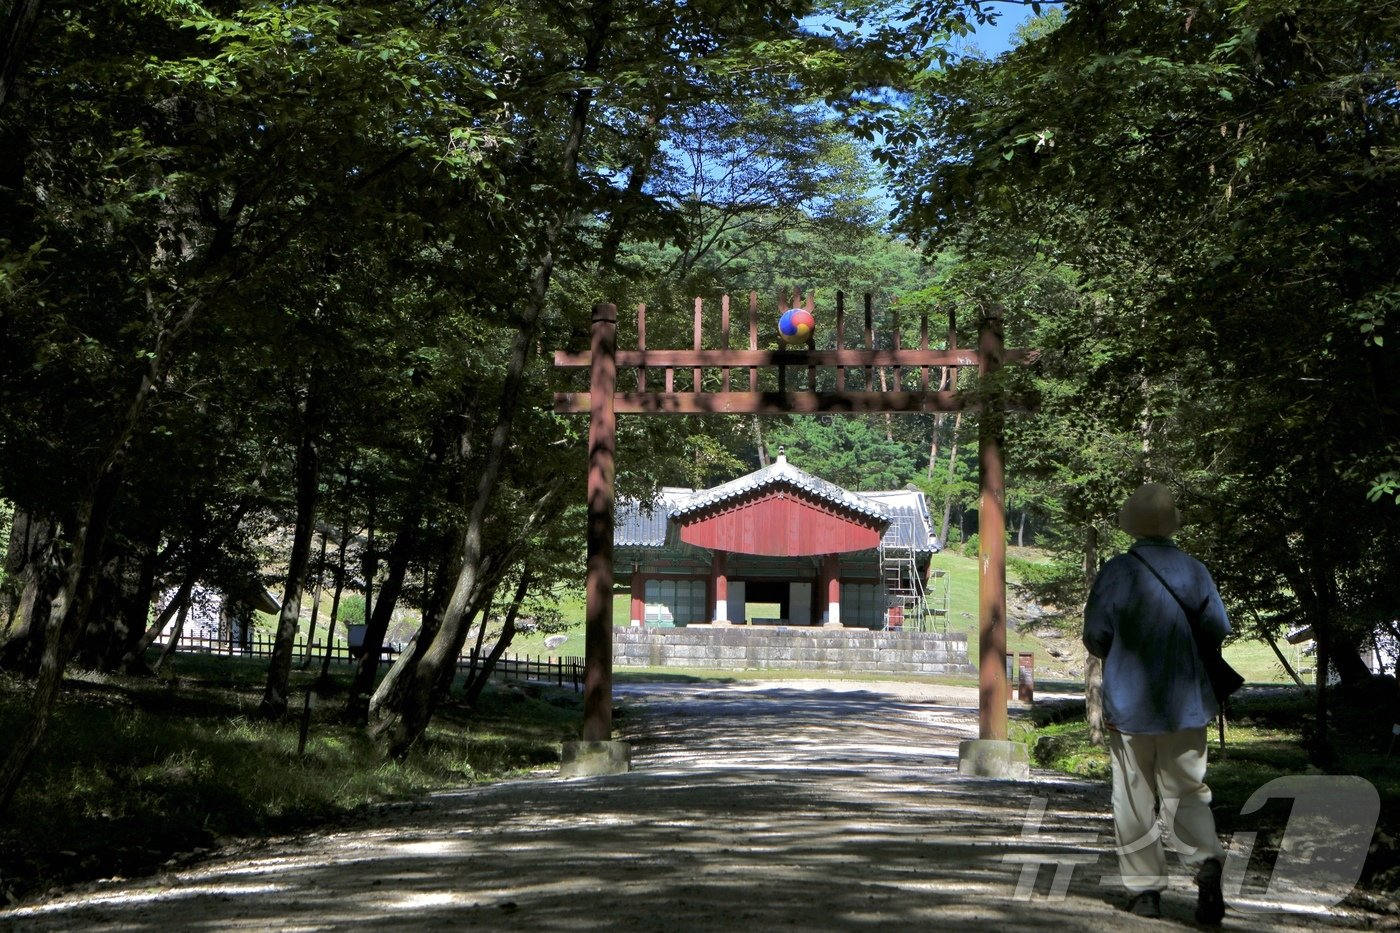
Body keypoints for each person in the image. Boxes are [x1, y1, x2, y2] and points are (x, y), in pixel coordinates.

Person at [1083, 483, 1230, 924]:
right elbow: (1218, 627)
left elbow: (1096, 637)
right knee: (1186, 791)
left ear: (1132, 526)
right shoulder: (1195, 571)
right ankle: (1205, 862)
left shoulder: (1116, 572)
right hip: (1187, 703)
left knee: (1133, 797)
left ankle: (1146, 892)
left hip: (1128, 706)